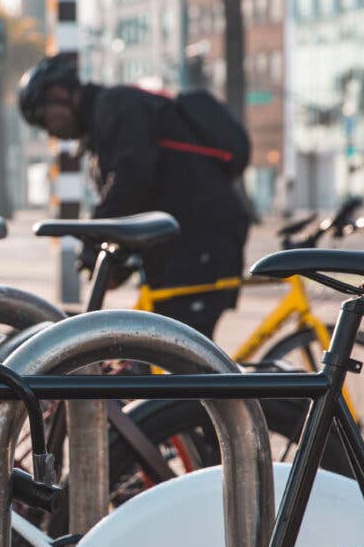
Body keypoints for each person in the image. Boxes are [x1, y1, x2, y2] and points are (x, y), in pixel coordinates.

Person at [17, 53, 251, 339]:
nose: (49, 130)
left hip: (203, 240)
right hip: (182, 245)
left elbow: (131, 181)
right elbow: (137, 198)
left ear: (60, 93)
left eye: (43, 117)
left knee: (182, 358)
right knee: (161, 351)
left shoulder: (116, 106)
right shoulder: (103, 124)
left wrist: (93, 240)